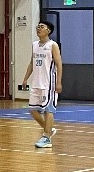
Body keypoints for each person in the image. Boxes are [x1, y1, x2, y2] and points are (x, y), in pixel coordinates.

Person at [22, 20, 63, 148]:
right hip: (36, 83)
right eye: (38, 26)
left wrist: (58, 82)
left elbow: (59, 64)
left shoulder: (52, 45)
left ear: (48, 31)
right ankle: (49, 129)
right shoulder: (34, 45)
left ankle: (46, 138)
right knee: (33, 110)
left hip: (49, 83)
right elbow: (31, 63)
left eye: (42, 27)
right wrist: (25, 79)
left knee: (48, 110)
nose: (38, 28)